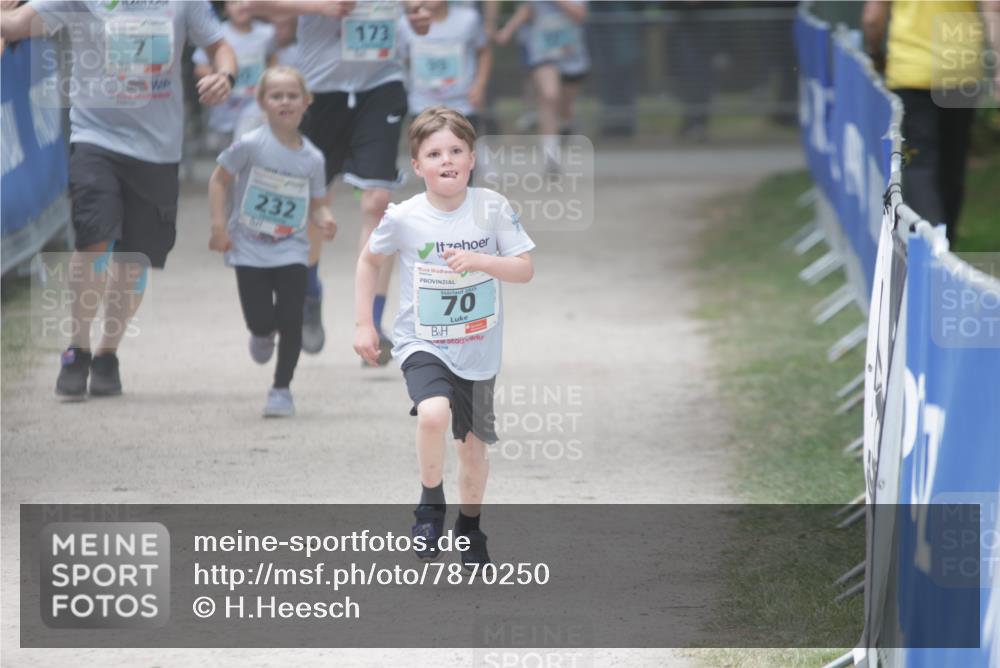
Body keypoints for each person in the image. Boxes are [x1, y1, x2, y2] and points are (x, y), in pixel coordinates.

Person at [1, 0, 236, 399]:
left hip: (158, 148)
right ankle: (77, 348)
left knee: (134, 260)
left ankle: (107, 353)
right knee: (94, 237)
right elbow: (20, 23)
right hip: (96, 135)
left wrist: (225, 76)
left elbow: (220, 45)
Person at [353, 107, 535, 570]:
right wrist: (364, 323)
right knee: (432, 414)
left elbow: (524, 269)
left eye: (456, 150)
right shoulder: (404, 216)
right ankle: (430, 505)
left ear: (472, 158)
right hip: (422, 342)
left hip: (478, 349)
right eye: (434, 153)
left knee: (472, 450)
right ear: (418, 166)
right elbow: (369, 261)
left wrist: (483, 263)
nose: (447, 159)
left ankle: (470, 528)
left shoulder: (492, 208)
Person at [251, 0, 432, 362]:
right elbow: (250, 5)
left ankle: (373, 324)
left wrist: (419, 17)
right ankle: (310, 292)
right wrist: (320, 7)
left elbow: (420, 15)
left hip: (381, 87)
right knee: (313, 207)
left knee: (378, 201)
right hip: (320, 92)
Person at [208, 66, 335, 417]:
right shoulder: (250, 145)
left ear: (306, 102)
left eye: (292, 95)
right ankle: (262, 333)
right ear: (262, 102)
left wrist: (326, 221)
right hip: (248, 248)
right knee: (261, 319)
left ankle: (281, 389)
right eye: (276, 96)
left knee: (291, 318)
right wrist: (219, 227)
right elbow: (219, 180)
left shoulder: (313, 158)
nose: (285, 102)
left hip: (292, 248)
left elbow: (318, 204)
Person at [863, 0, 1000, 246]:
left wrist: (875, 53)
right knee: (953, 163)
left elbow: (873, 18)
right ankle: (947, 241)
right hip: (960, 70)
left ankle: (930, 245)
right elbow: (993, 7)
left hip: (911, 73)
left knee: (919, 162)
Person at [495, 0, 588, 171]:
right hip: (542, 52)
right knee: (549, 95)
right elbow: (528, 9)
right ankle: (550, 155)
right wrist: (508, 30)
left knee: (565, 106)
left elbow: (580, 14)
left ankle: (566, 124)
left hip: (570, 54)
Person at [395, 0, 493, 131]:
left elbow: (484, 51)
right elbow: (404, 58)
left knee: (461, 149)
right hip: (422, 107)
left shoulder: (469, 19)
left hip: (463, 106)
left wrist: (480, 85)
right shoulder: (405, 23)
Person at [192, 0, 276, 148]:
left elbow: (273, 59)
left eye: (245, 1)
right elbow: (199, 68)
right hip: (225, 107)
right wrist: (223, 76)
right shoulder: (217, 34)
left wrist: (270, 81)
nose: (241, 6)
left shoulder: (267, 33)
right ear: (225, 8)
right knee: (227, 156)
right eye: (234, 2)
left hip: (255, 104)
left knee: (248, 149)